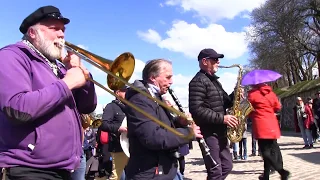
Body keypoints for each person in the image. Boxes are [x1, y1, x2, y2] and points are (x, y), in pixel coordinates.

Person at [0, 5, 97, 180]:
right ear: (32, 33)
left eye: (63, 30)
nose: (62, 35)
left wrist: (83, 76)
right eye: (54, 29)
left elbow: (88, 106)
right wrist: (67, 83)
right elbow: (17, 108)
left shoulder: (58, 67)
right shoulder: (12, 56)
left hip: (64, 168)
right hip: (29, 168)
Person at [124, 59, 202, 180]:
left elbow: (163, 126)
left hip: (165, 168)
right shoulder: (140, 100)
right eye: (168, 77)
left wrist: (178, 122)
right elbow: (153, 137)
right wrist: (188, 133)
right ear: (152, 78)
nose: (171, 81)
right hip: (150, 173)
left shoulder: (156, 97)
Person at [188, 48, 238, 180]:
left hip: (220, 132)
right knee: (215, 171)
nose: (218, 62)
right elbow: (197, 110)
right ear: (205, 61)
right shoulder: (197, 81)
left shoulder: (214, 81)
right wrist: (222, 118)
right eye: (215, 59)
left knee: (227, 166)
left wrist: (236, 94)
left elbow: (225, 102)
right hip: (208, 133)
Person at [247, 83, 290, 180]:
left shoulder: (252, 94)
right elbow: (278, 107)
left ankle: (281, 171)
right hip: (272, 123)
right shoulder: (271, 93)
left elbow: (248, 111)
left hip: (260, 124)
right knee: (272, 148)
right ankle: (266, 176)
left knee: (265, 152)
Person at [100, 86, 129, 180]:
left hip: (132, 146)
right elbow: (103, 124)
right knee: (116, 176)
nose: (127, 93)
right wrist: (118, 128)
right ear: (117, 93)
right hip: (118, 146)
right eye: (125, 91)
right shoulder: (111, 107)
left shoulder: (130, 107)